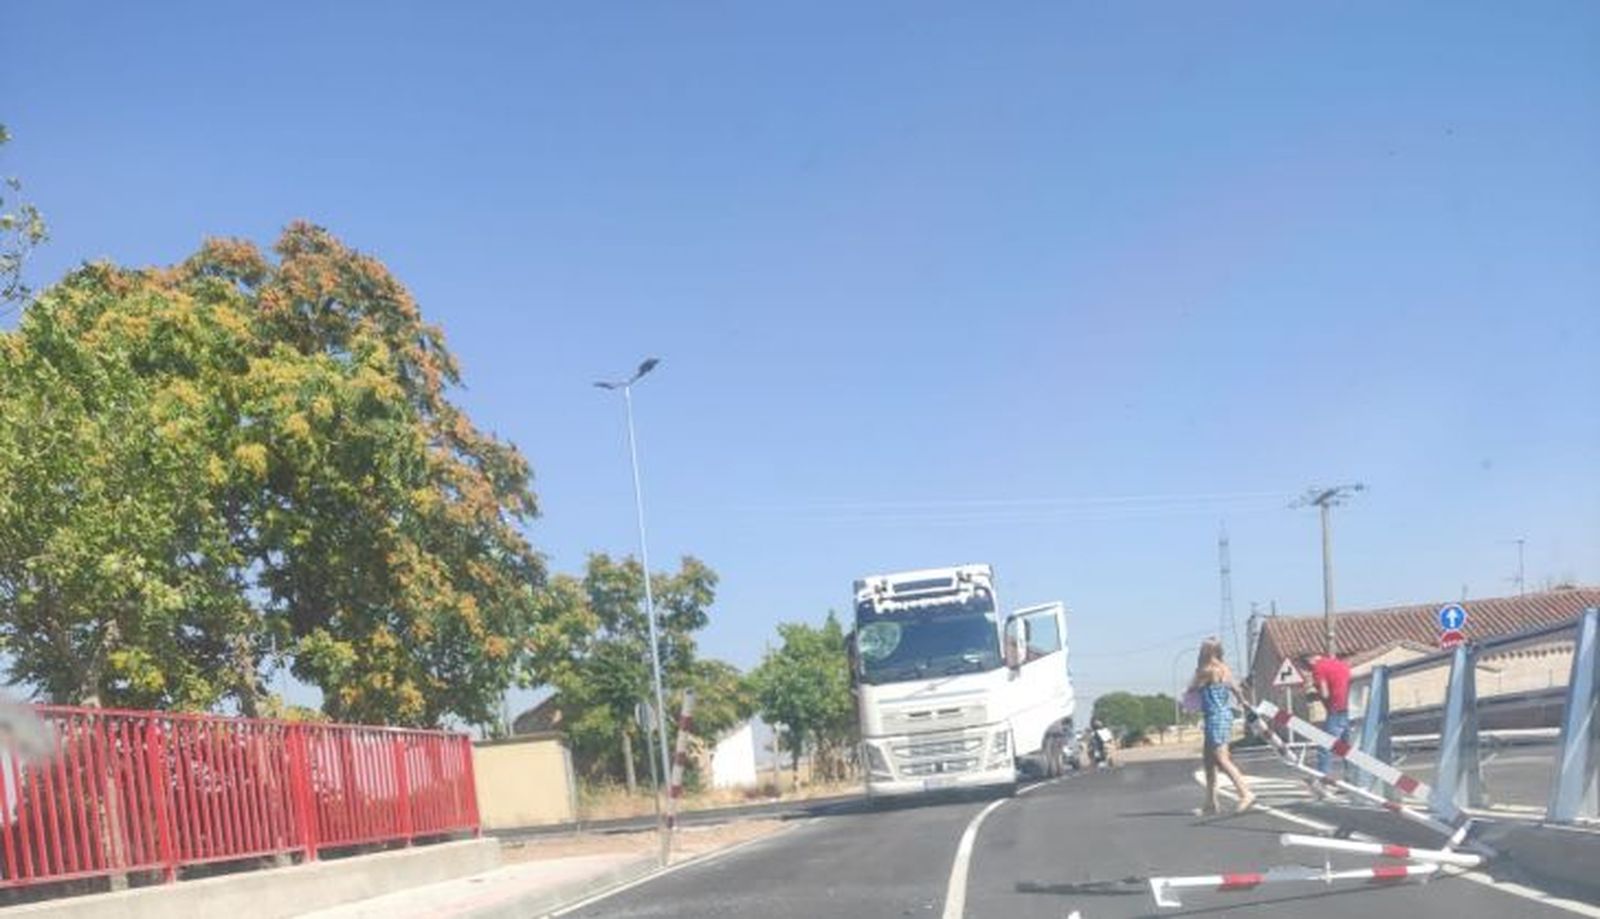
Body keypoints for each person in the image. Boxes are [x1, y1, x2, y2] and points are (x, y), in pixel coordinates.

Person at [1191, 637, 1254, 814]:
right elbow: (1236, 688)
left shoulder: (1206, 670)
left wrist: (1191, 690)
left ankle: (1245, 792)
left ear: (1206, 652)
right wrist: (1243, 702)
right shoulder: (1224, 669)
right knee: (1208, 760)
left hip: (1215, 717)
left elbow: (1192, 688)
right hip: (1223, 714)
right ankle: (1210, 802)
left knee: (1221, 759)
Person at [1298, 651, 1352, 782]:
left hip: (1336, 709)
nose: (1308, 671)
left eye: (1305, 668)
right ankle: (1353, 779)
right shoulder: (1339, 664)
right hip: (1348, 708)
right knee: (1346, 748)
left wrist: (1313, 695)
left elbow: (1325, 693)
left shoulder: (1318, 668)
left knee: (1325, 746)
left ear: (1308, 662)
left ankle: (1322, 779)